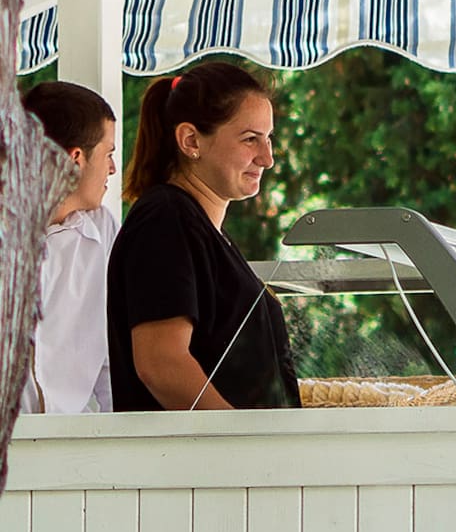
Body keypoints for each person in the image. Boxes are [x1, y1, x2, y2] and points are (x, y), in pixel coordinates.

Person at [108, 61, 299, 412]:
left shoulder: (199, 226)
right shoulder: (165, 218)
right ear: (191, 140)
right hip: (201, 463)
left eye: (268, 138)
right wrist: (240, 445)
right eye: (250, 139)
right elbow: (161, 363)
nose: (267, 158)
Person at [19, 81, 119, 415]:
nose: (113, 169)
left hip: (74, 447)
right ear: (75, 160)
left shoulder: (103, 230)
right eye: (108, 154)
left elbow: (112, 356)